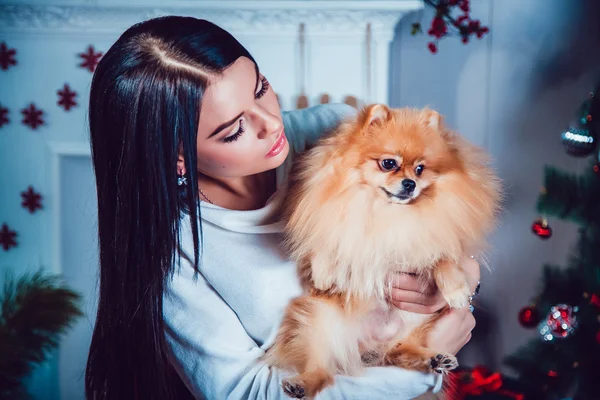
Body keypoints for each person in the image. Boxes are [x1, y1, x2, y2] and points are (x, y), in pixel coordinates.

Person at [85, 15, 480, 400]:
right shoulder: (171, 253)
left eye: (261, 89)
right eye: (235, 129)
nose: (271, 124)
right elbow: (247, 394)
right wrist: (414, 374)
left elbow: (444, 228)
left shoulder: (336, 134)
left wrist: (454, 282)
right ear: (178, 158)